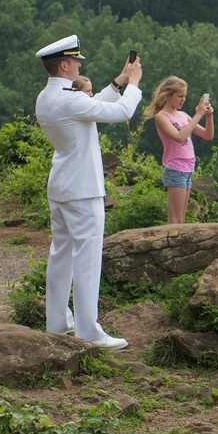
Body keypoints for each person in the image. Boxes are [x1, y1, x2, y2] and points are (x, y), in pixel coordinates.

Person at [35, 35, 143, 350]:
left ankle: (58, 323)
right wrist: (134, 84)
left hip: (61, 187)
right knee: (86, 260)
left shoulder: (48, 97)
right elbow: (121, 113)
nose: (80, 65)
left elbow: (93, 107)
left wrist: (119, 81)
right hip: (83, 191)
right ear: (65, 65)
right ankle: (88, 331)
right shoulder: (70, 98)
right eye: (77, 61)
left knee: (61, 257)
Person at [142, 76, 215, 224]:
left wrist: (208, 116)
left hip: (188, 168)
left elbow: (208, 135)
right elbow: (180, 137)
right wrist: (198, 115)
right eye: (179, 96)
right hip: (175, 169)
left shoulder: (183, 116)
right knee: (175, 220)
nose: (183, 99)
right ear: (168, 95)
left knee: (181, 219)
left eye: (184, 96)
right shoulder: (162, 117)